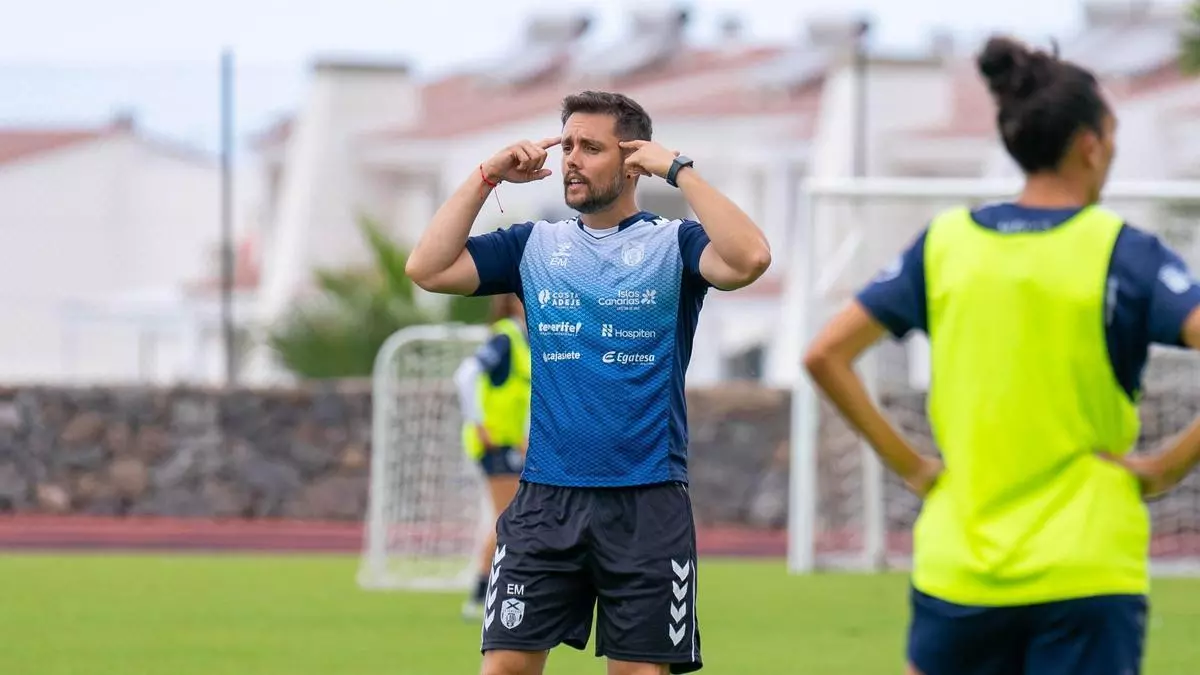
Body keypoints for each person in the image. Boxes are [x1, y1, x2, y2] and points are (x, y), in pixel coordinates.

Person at [802, 36, 1200, 675]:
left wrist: (913, 467)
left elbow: (825, 354)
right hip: (1087, 564)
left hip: (960, 564)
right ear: (1090, 145)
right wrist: (1165, 468)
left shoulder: (944, 244)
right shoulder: (1124, 251)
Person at [405, 90, 770, 675]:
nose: (572, 158)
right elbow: (426, 268)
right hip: (544, 500)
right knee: (503, 668)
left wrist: (679, 171)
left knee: (636, 672)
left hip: (646, 501)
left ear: (633, 161)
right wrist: (486, 176)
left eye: (591, 148)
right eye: (568, 145)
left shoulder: (675, 245)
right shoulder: (533, 245)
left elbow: (750, 257)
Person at [455, 293, 531, 621]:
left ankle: (492, 591)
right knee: (510, 518)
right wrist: (478, 422)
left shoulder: (527, 340)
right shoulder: (505, 337)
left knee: (515, 517)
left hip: (511, 443)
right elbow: (465, 375)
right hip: (494, 444)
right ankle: (481, 594)